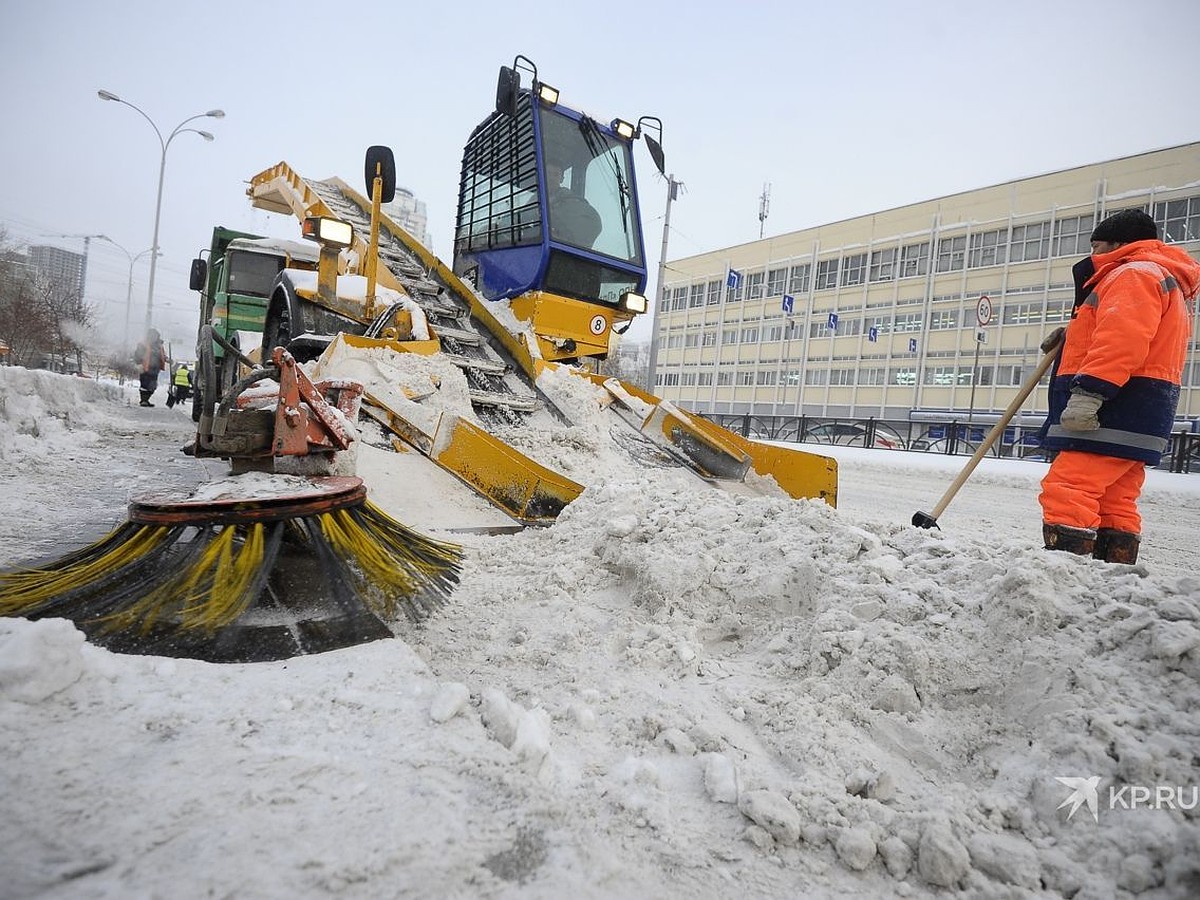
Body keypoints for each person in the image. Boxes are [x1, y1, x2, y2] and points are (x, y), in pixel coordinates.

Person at [1039, 209, 1200, 563]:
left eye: (1098, 246)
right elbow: (1136, 337)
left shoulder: (1132, 274)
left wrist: (1090, 393)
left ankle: (1062, 575)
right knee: (1116, 499)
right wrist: (1074, 333)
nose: (1093, 255)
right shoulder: (1160, 276)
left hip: (1112, 406)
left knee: (1069, 488)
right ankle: (1112, 579)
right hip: (1145, 408)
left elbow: (1121, 341)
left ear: (1121, 244)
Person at [545, 159, 601, 248]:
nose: (551, 178)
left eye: (556, 175)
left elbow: (593, 224)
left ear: (562, 179)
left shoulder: (570, 201)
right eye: (548, 173)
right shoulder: (535, 199)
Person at [134, 328, 169, 407]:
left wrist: (167, 359)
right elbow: (137, 354)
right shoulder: (143, 344)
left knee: (153, 386)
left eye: (155, 336)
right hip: (145, 368)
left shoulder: (159, 346)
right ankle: (143, 400)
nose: (154, 337)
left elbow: (162, 355)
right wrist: (138, 364)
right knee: (145, 385)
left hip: (155, 369)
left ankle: (146, 399)